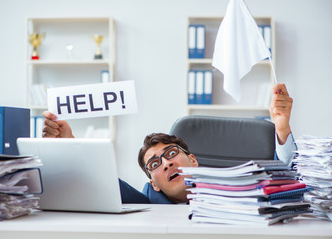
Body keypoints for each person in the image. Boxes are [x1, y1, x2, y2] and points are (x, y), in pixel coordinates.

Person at [42, 83, 295, 204]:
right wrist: (69, 144)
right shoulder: (147, 203)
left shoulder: (237, 192)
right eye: (154, 163)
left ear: (192, 159)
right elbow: (104, 182)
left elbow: (289, 183)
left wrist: (281, 127)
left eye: (171, 153)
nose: (166, 163)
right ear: (154, 183)